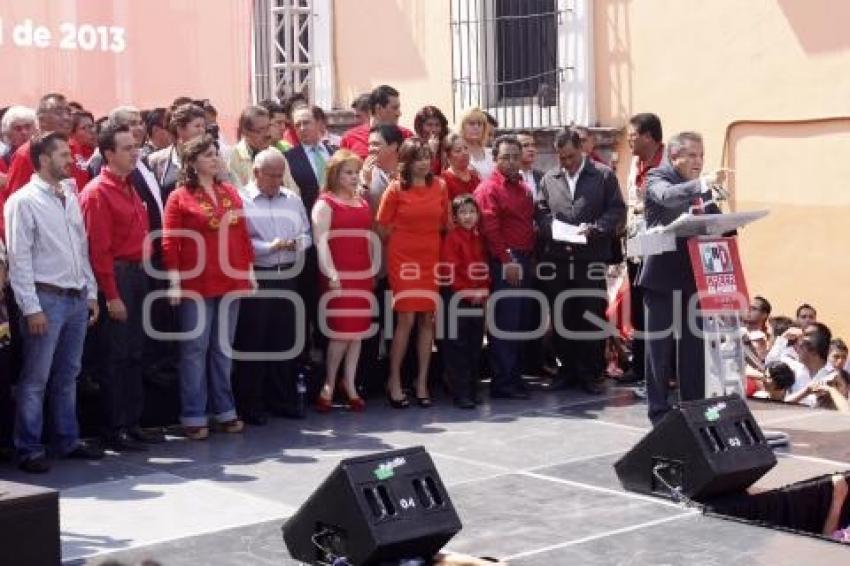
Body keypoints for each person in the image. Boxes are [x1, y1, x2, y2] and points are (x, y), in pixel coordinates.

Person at [5, 131, 104, 472]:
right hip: (45, 298)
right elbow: (19, 258)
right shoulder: (23, 200)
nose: (70, 159)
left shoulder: (70, 195)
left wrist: (90, 292)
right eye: (63, 154)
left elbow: (80, 247)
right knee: (36, 378)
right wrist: (30, 307)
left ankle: (66, 439)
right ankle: (28, 447)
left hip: (75, 297)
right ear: (44, 159)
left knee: (68, 374)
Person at [162, 134, 254, 440]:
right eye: (207, 155)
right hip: (195, 281)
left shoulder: (228, 190)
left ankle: (225, 410)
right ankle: (193, 415)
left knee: (223, 349)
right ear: (192, 162)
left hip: (230, 277)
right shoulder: (179, 197)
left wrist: (249, 271)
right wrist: (175, 281)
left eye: (216, 153)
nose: (215, 159)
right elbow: (171, 241)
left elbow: (242, 234)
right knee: (194, 349)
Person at [80, 122, 163, 450]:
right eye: (127, 148)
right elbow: (98, 250)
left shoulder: (131, 187)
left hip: (138, 272)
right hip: (117, 275)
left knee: (134, 351)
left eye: (135, 147)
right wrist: (111, 295)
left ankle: (132, 420)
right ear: (108, 154)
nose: (135, 153)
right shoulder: (97, 192)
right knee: (115, 355)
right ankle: (114, 426)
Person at [637, 131, 727, 425]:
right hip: (661, 275)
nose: (698, 161)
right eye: (691, 155)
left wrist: (730, 223)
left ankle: (694, 407)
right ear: (674, 156)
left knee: (694, 345)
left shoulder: (703, 187)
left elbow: (711, 219)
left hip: (695, 274)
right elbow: (665, 197)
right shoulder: (657, 177)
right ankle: (659, 412)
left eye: (701, 155)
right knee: (659, 349)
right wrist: (702, 184)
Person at [536, 128, 626, 394]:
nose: (567, 163)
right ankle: (568, 371)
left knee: (590, 313)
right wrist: (550, 226)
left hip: (590, 257)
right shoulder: (549, 178)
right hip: (559, 257)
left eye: (571, 157)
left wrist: (597, 228)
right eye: (562, 158)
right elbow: (541, 211)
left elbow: (616, 210)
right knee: (563, 314)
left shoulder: (603, 175)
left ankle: (591, 373)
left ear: (582, 150)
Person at [233, 149, 311, 424]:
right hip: (259, 275)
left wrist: (296, 243)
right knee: (254, 341)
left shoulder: (291, 199)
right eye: (273, 176)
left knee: (284, 339)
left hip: (288, 274)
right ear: (256, 173)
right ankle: (251, 404)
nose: (278, 181)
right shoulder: (240, 199)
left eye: (281, 175)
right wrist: (270, 246)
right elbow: (239, 241)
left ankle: (282, 399)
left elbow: (306, 233)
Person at [377, 138, 449, 408]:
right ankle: (394, 380)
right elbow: (382, 228)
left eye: (427, 157)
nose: (424, 162)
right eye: (418, 157)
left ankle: (421, 382)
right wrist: (403, 238)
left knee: (427, 319)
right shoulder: (395, 189)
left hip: (430, 256)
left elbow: (446, 224)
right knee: (406, 318)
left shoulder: (440, 186)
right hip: (403, 258)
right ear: (406, 161)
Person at [312, 150, 374, 412]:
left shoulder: (362, 202)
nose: (353, 177)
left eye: (355, 172)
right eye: (347, 172)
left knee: (357, 332)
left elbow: (367, 236)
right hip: (339, 274)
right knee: (341, 332)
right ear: (335, 174)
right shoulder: (325, 203)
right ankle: (329, 382)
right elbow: (320, 241)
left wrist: (373, 268)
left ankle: (349, 384)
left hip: (362, 273)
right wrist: (331, 273)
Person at [474, 135, 535, 399]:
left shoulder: (522, 188)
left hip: (525, 258)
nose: (511, 162)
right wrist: (507, 260)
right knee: (505, 323)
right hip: (505, 261)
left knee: (521, 322)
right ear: (495, 160)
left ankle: (515, 376)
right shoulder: (488, 189)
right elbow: (490, 229)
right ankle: (503, 382)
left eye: (514, 156)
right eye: (504, 157)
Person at [624, 113, 664, 386]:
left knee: (659, 308)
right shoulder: (634, 163)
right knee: (638, 307)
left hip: (659, 245)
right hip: (635, 243)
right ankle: (639, 366)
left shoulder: (668, 163)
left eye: (633, 135)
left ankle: (662, 370)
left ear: (649, 136)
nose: (628, 139)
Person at [440, 194, 489, 408]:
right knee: (457, 346)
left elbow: (483, 267)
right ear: (455, 217)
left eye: (472, 212)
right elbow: (451, 271)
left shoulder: (479, 238)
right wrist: (470, 293)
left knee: (474, 344)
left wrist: (484, 289)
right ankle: (460, 391)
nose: (468, 216)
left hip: (477, 298)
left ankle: (471, 386)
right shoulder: (452, 238)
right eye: (463, 212)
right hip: (457, 298)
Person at [145, 102, 207, 199]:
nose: (202, 130)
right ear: (180, 129)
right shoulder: (156, 160)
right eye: (197, 126)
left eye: (204, 126)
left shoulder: (211, 156)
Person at [340, 85, 413, 159]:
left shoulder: (407, 135)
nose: (399, 113)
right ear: (378, 109)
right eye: (394, 108)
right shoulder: (349, 138)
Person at [440, 132, 481, 201]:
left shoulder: (475, 176)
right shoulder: (444, 180)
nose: (464, 153)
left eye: (466, 148)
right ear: (448, 156)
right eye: (458, 151)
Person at [458, 107, 494, 180]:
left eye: (480, 124)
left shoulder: (491, 153)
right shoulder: (456, 153)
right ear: (462, 127)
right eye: (471, 124)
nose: (476, 127)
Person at [413, 105, 449, 175]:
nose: (434, 129)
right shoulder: (413, 147)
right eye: (429, 125)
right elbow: (421, 175)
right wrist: (431, 152)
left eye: (437, 125)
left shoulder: (445, 144)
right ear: (420, 126)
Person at [0, 106, 36, 171]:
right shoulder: (3, 161)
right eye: (18, 129)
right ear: (8, 134)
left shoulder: (45, 154)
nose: (24, 132)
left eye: (28, 127)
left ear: (35, 129)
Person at [515, 130, 543, 200]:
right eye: (525, 145)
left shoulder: (542, 177)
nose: (531, 149)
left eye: (533, 145)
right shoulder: (508, 178)